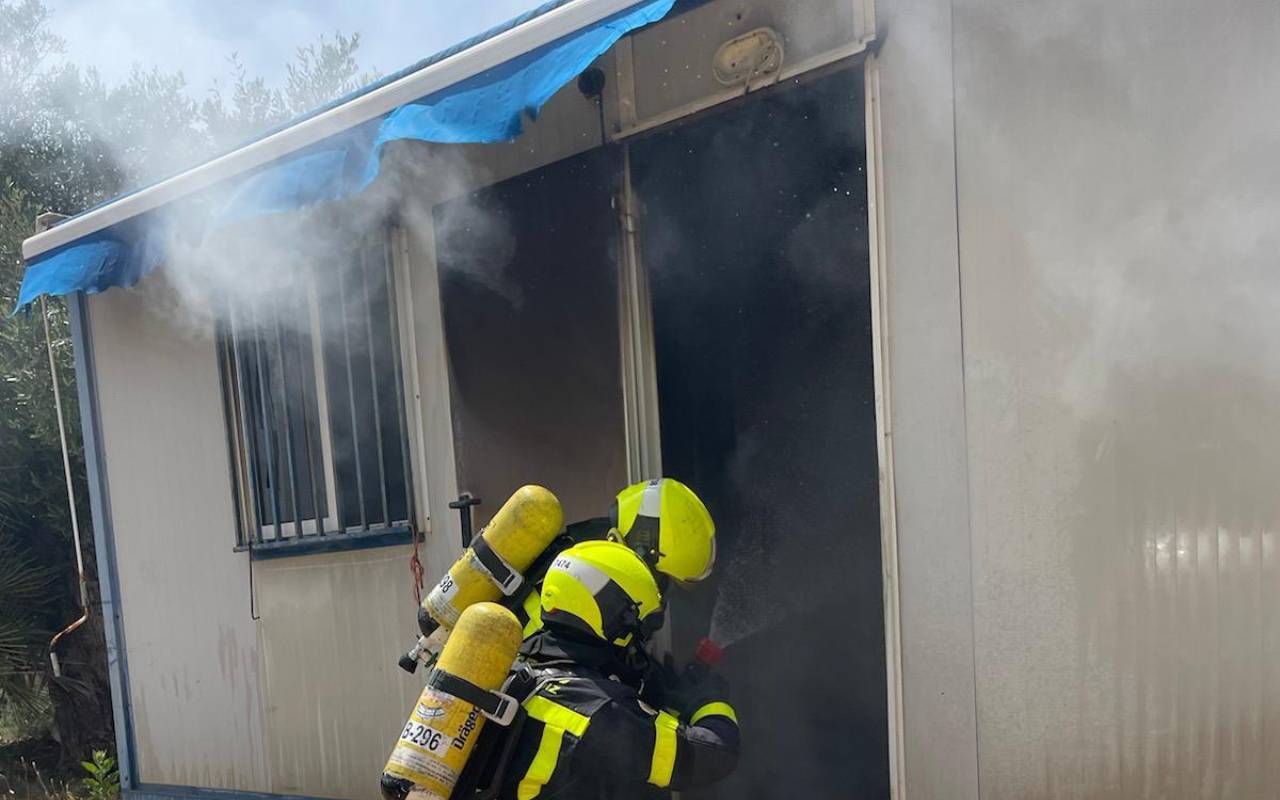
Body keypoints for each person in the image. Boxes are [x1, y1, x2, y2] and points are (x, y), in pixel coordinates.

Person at [463, 540, 739, 799]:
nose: (638, 643)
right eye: (638, 630)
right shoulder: (599, 710)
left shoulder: (516, 668)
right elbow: (713, 754)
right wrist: (707, 700)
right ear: (617, 619)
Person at [511, 477, 717, 637]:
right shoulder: (574, 595)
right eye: (660, 580)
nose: (659, 600)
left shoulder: (586, 563)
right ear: (637, 553)